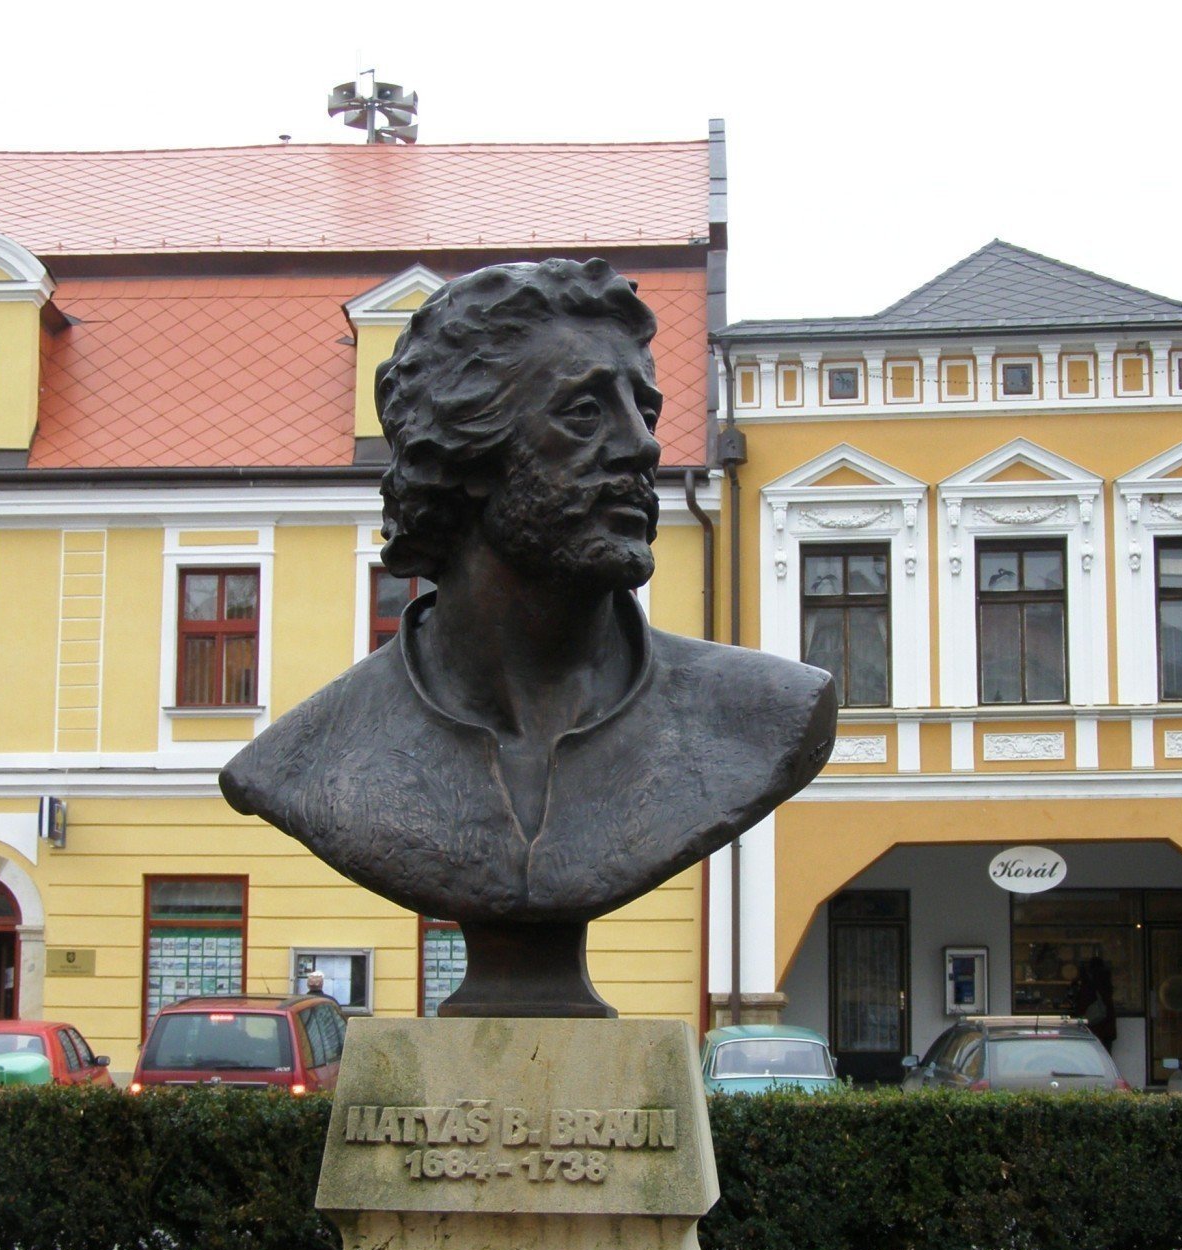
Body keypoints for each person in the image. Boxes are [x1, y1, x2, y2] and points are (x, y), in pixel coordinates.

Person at [222, 259, 836, 1017]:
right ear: (466, 454)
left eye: (643, 409)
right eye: (584, 414)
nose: (643, 447)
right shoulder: (311, 762)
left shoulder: (762, 716)